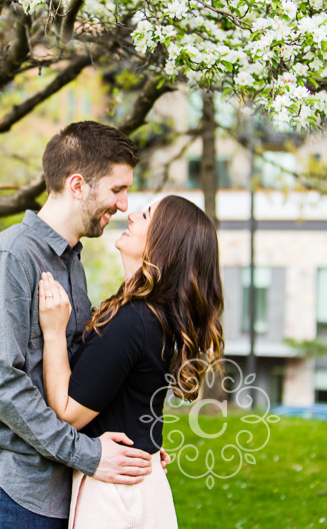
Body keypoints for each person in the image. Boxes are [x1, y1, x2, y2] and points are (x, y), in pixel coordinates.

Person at [0, 121, 154, 528]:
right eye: (116, 190)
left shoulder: (72, 264)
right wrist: (88, 454)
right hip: (10, 485)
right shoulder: (10, 256)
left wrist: (131, 441)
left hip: (56, 488)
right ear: (77, 185)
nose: (124, 205)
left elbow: (77, 378)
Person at [37, 195, 225, 528]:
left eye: (147, 215)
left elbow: (67, 413)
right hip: (141, 483)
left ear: (165, 242)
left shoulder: (131, 321)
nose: (131, 215)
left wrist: (53, 333)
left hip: (114, 494)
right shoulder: (158, 318)